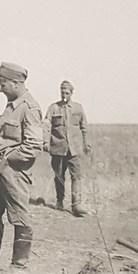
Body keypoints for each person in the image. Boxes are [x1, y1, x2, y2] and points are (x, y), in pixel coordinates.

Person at [0, 62, 43, 270]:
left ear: (16, 83)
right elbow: (4, 141)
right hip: (0, 171)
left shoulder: (29, 109)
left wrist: (6, 160)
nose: (0, 89)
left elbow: (33, 147)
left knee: (19, 217)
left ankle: (19, 266)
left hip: (16, 174)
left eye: (3, 83)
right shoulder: (11, 106)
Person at [42, 80, 90, 217]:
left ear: (71, 93)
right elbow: (46, 125)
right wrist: (45, 142)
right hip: (58, 148)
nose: (64, 95)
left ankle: (76, 205)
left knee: (76, 176)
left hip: (74, 149)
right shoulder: (53, 108)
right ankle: (59, 201)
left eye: (67, 93)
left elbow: (84, 128)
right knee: (59, 176)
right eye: (62, 92)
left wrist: (86, 144)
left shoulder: (78, 108)